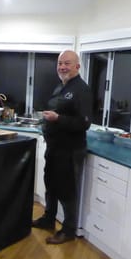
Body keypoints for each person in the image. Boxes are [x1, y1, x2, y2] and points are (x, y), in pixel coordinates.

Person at [32, 50, 92, 244]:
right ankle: (48, 219)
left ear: (77, 66)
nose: (62, 67)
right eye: (60, 63)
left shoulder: (82, 89)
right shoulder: (61, 87)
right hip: (55, 147)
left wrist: (58, 118)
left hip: (70, 150)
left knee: (67, 190)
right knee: (51, 184)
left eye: (67, 63)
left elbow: (84, 123)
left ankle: (68, 231)